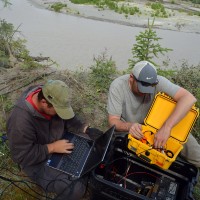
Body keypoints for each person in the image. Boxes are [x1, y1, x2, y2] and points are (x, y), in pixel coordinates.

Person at [6, 79, 102, 200]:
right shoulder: (19, 122)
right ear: (44, 102)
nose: (59, 114)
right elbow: (22, 156)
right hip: (38, 161)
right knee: (76, 188)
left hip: (60, 141)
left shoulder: (53, 95)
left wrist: (85, 129)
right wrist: (52, 148)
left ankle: (82, 169)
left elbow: (68, 119)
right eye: (58, 111)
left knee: (91, 144)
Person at [107, 60, 200, 167]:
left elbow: (189, 99)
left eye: (149, 87)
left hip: (158, 125)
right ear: (131, 78)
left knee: (196, 155)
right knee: (127, 161)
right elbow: (113, 121)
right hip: (132, 131)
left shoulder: (159, 81)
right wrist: (130, 126)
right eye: (142, 87)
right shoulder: (118, 86)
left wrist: (167, 127)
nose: (145, 91)